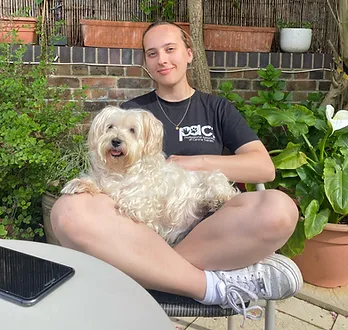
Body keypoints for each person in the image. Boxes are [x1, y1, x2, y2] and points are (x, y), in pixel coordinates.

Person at [51, 21, 302, 322]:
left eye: (170, 49)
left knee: (280, 208)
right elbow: (109, 174)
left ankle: (151, 274)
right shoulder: (131, 113)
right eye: (152, 53)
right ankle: (211, 287)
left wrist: (200, 162)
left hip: (212, 228)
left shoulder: (216, 108)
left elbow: (262, 167)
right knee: (67, 210)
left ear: (189, 53)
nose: (163, 59)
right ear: (145, 62)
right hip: (141, 232)